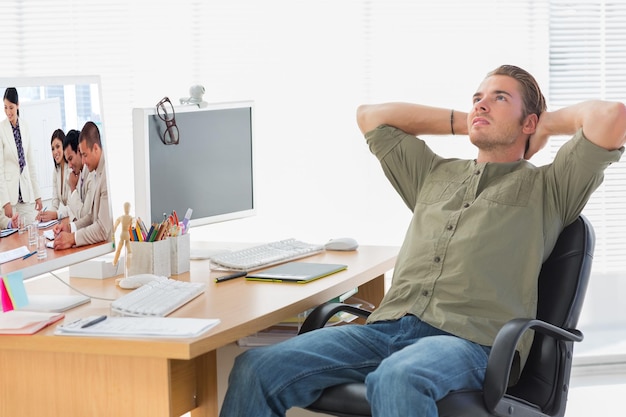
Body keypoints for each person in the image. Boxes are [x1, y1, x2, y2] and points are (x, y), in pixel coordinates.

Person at [219, 65, 626, 417]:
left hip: (469, 343)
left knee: (400, 377)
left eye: (499, 98)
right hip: (384, 329)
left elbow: (611, 116)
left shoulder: (550, 188)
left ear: (528, 122)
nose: (481, 104)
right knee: (255, 367)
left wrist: (546, 124)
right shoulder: (434, 174)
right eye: (476, 98)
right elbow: (371, 116)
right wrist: (468, 120)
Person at [53, 121, 112, 249]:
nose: (84, 161)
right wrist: (70, 228)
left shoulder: (107, 175)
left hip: (109, 248)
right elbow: (91, 216)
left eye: (85, 155)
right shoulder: (97, 171)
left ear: (96, 148)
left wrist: (72, 238)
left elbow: (102, 229)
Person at [0, 87, 43, 225]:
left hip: (24, 195)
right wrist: (5, 201)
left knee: (30, 232)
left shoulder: (25, 127)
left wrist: (37, 195)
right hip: (9, 197)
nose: (8, 112)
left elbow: (31, 164)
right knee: (13, 239)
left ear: (18, 105)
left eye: (11, 107)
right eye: (5, 107)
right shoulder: (1, 129)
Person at [37, 129, 71, 222]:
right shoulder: (56, 171)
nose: (55, 152)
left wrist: (55, 214)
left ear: (64, 146)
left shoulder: (71, 168)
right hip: (66, 218)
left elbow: (72, 207)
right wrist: (45, 215)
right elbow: (55, 203)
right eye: (52, 149)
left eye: (57, 147)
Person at [62, 129, 92, 221]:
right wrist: (75, 221)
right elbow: (70, 207)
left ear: (79, 151)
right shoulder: (77, 174)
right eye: (67, 161)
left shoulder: (91, 174)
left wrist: (73, 188)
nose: (70, 165)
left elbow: (85, 216)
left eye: (71, 159)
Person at [112, 201, 133, 267]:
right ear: (129, 209)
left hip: (122, 234)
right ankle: (128, 265)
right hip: (127, 235)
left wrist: (113, 232)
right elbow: (134, 222)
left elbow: (116, 224)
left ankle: (114, 262)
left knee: (118, 249)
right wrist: (133, 226)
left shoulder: (121, 217)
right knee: (129, 251)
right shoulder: (130, 217)